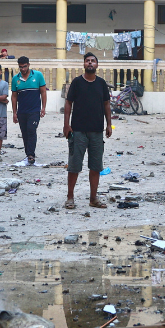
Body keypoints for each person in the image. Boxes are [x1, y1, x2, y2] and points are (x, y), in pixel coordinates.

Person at [63, 53, 112, 210]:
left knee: (96, 166)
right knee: (74, 165)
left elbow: (106, 104)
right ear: (84, 64)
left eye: (93, 61)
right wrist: (66, 125)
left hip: (97, 131)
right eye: (87, 61)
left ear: (97, 65)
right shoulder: (77, 83)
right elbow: (68, 103)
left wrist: (109, 125)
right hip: (78, 130)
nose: (90, 63)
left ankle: (93, 198)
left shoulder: (101, 83)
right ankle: (70, 198)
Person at [10, 56, 47, 166]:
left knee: (31, 130)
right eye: (20, 67)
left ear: (28, 65)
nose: (23, 69)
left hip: (34, 110)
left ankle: (31, 155)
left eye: (24, 66)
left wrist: (43, 108)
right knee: (25, 133)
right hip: (22, 111)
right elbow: (14, 97)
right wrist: (14, 112)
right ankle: (28, 154)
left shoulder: (38, 75)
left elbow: (43, 92)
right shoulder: (15, 79)